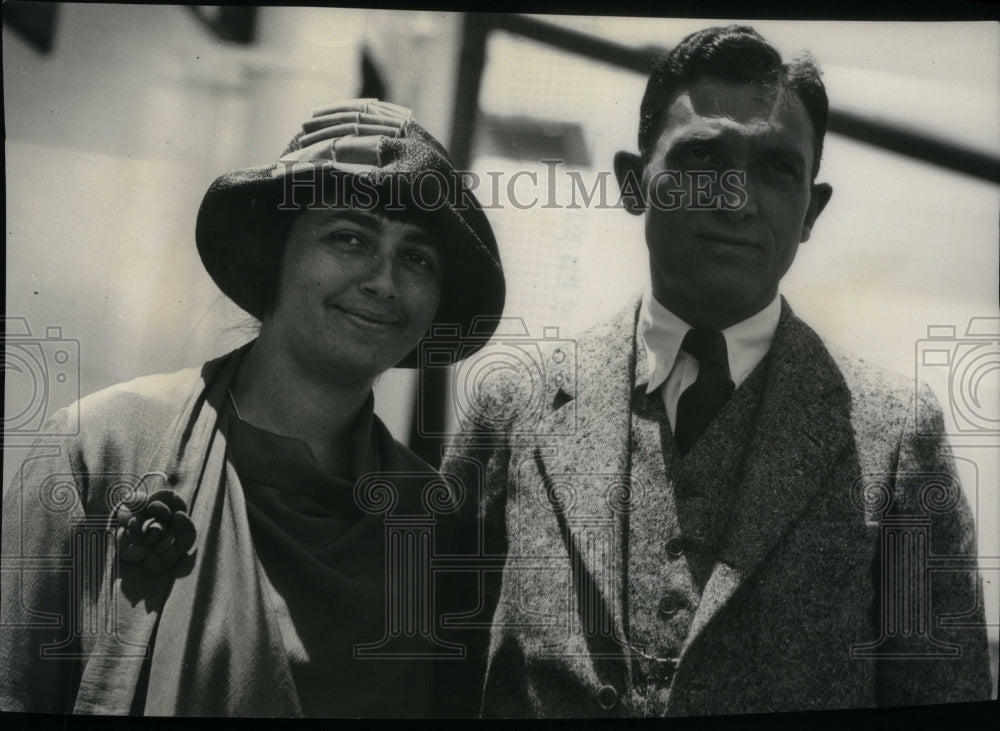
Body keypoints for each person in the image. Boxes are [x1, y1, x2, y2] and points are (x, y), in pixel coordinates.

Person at [441, 26, 992, 717]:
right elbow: (432, 674)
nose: (736, 198)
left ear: (811, 212)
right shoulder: (512, 409)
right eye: (704, 156)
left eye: (776, 169)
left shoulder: (897, 439)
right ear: (634, 184)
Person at [0, 99, 505, 717]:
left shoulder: (436, 526)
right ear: (278, 253)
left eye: (418, 258)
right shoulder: (102, 450)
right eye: (349, 237)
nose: (384, 281)